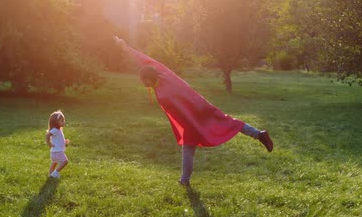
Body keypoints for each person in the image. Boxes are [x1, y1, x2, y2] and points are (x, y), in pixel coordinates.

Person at [113, 36, 273, 186]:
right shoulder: (160, 73)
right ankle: (185, 180)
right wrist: (125, 47)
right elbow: (144, 60)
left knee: (225, 125)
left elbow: (182, 105)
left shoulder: (165, 89)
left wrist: (191, 125)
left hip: (198, 112)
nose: (142, 83)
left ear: (149, 79)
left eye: (143, 80)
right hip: (191, 116)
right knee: (194, 143)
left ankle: (258, 134)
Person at [45, 110, 70, 178]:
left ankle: (50, 175)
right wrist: (49, 143)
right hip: (57, 151)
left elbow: (58, 140)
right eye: (61, 121)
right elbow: (47, 135)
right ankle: (55, 173)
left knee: (54, 163)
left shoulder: (58, 130)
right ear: (55, 122)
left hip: (54, 152)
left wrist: (64, 141)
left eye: (64, 120)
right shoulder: (55, 130)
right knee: (65, 161)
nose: (64, 122)